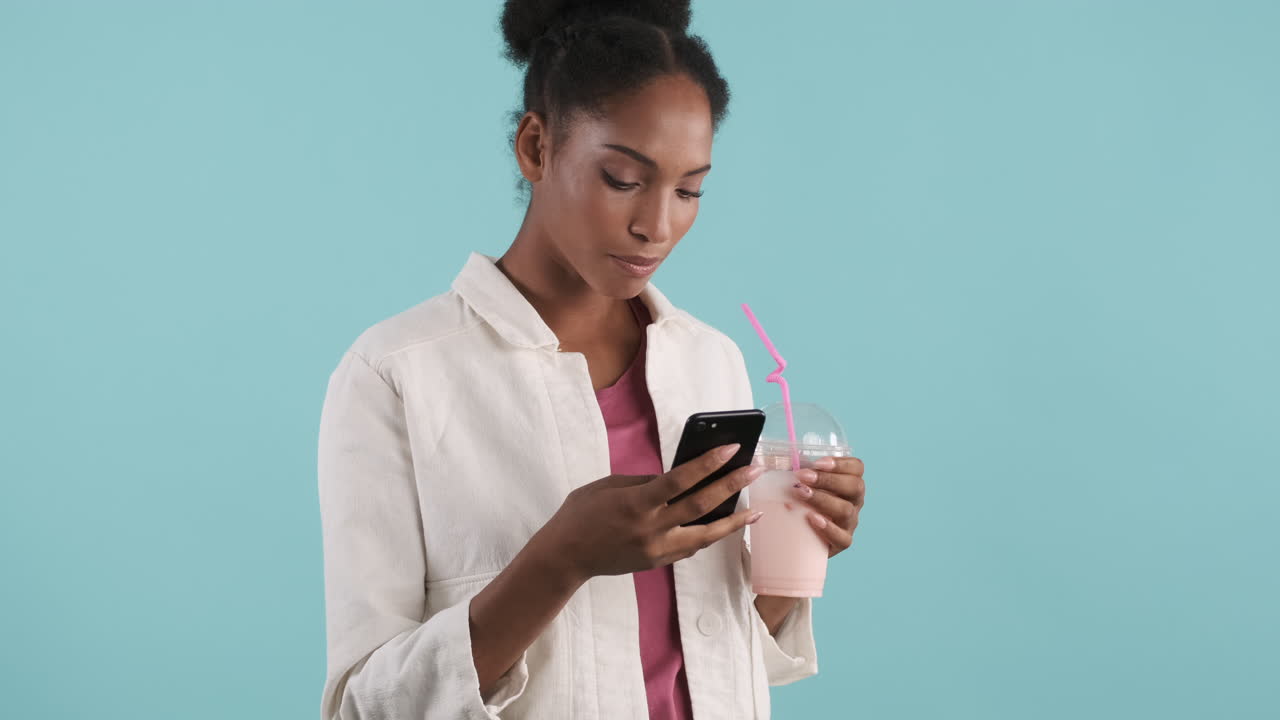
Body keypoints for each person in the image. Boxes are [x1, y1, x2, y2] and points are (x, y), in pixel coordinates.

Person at [317, 1, 867, 717]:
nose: (657, 225)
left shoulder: (711, 360)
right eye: (623, 180)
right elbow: (364, 706)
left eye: (690, 189)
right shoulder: (395, 374)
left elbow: (709, 653)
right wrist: (560, 560)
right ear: (537, 146)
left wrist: (798, 555)